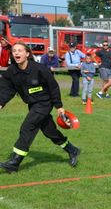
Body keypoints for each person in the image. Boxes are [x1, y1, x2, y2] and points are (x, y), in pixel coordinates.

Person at [0, 41, 80, 173]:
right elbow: (6, 89)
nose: (16, 53)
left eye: (20, 50)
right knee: (50, 131)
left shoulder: (39, 68)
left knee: (27, 127)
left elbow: (53, 86)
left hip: (44, 103)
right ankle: (72, 149)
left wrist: (59, 106)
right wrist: (1, 102)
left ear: (27, 54)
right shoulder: (11, 71)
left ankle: (15, 162)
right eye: (14, 51)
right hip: (33, 104)